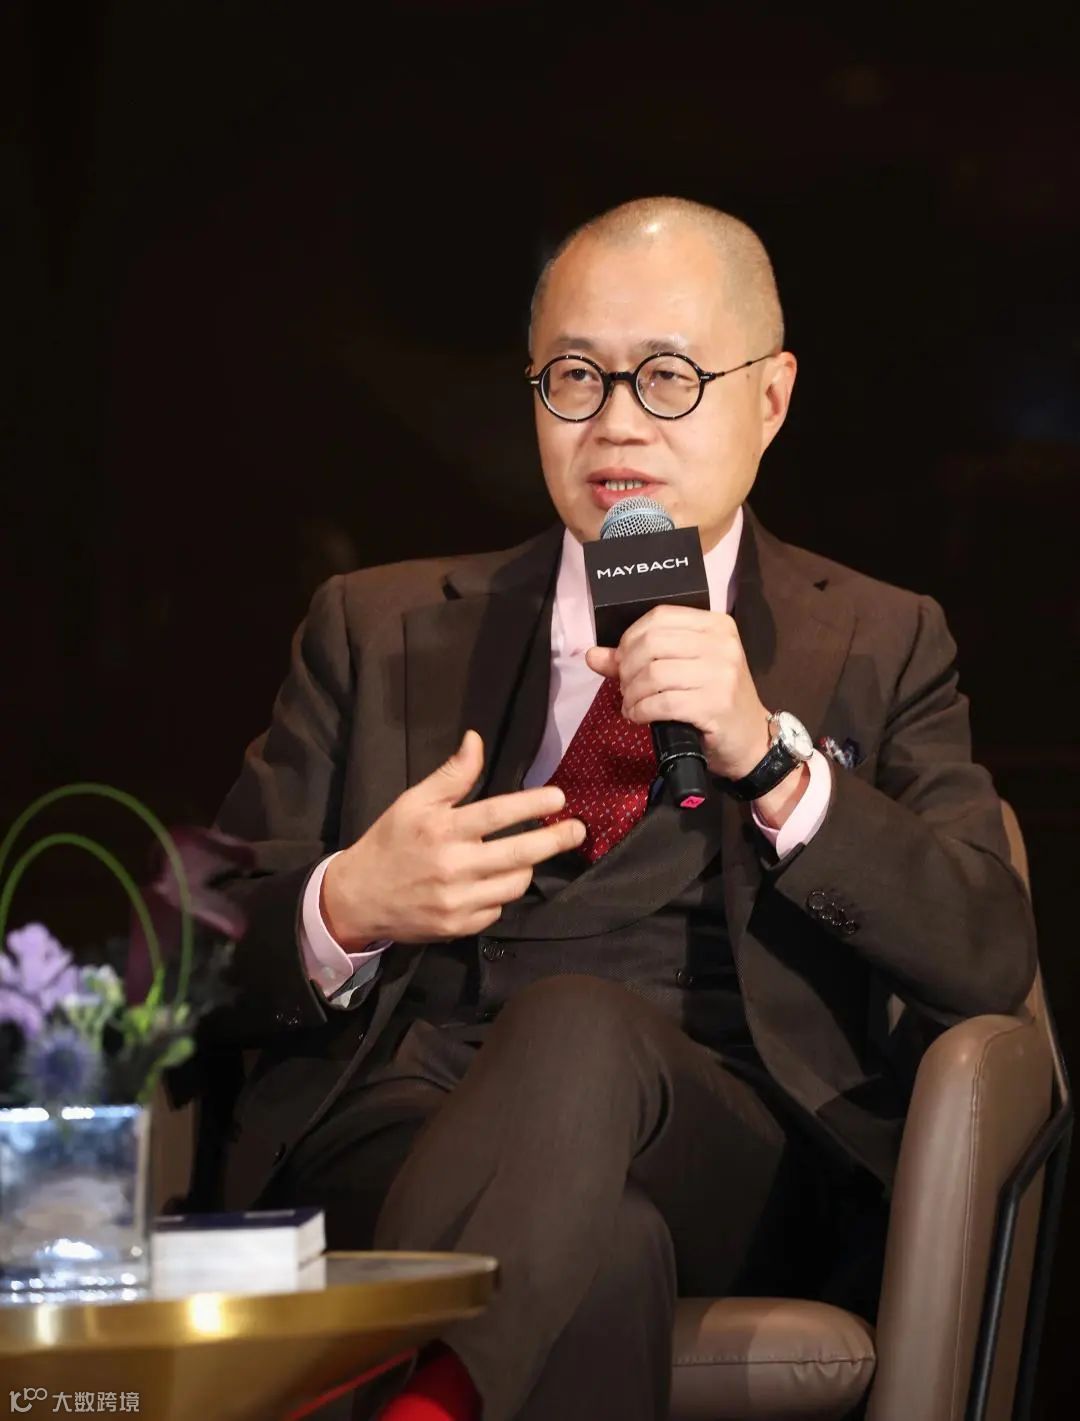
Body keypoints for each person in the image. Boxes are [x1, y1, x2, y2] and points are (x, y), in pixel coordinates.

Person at [205, 197, 1037, 1421]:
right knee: (599, 1256)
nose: (617, 423)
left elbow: (986, 949)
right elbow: (187, 958)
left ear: (770, 397)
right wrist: (349, 905)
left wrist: (771, 758)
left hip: (729, 1144)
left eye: (668, 376)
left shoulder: (881, 637)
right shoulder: (375, 626)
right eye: (575, 376)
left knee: (578, 1024)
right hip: (402, 1119)